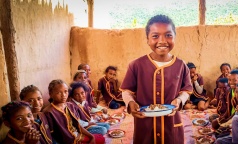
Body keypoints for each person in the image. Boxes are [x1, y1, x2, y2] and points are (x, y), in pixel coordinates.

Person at [120, 14, 193, 144]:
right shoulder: (136, 65)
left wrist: (179, 100)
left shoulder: (181, 65)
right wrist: (130, 103)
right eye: (155, 36)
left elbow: (186, 90)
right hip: (145, 124)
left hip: (171, 124)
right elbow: (126, 91)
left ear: (174, 37)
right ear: (147, 40)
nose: (162, 40)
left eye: (168, 35)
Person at [43, 79, 103, 144]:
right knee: (100, 137)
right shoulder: (49, 111)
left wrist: (91, 136)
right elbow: (52, 135)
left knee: (100, 138)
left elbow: (77, 125)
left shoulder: (70, 105)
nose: (63, 95)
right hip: (67, 139)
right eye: (59, 93)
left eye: (65, 91)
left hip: (77, 134)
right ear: (50, 94)